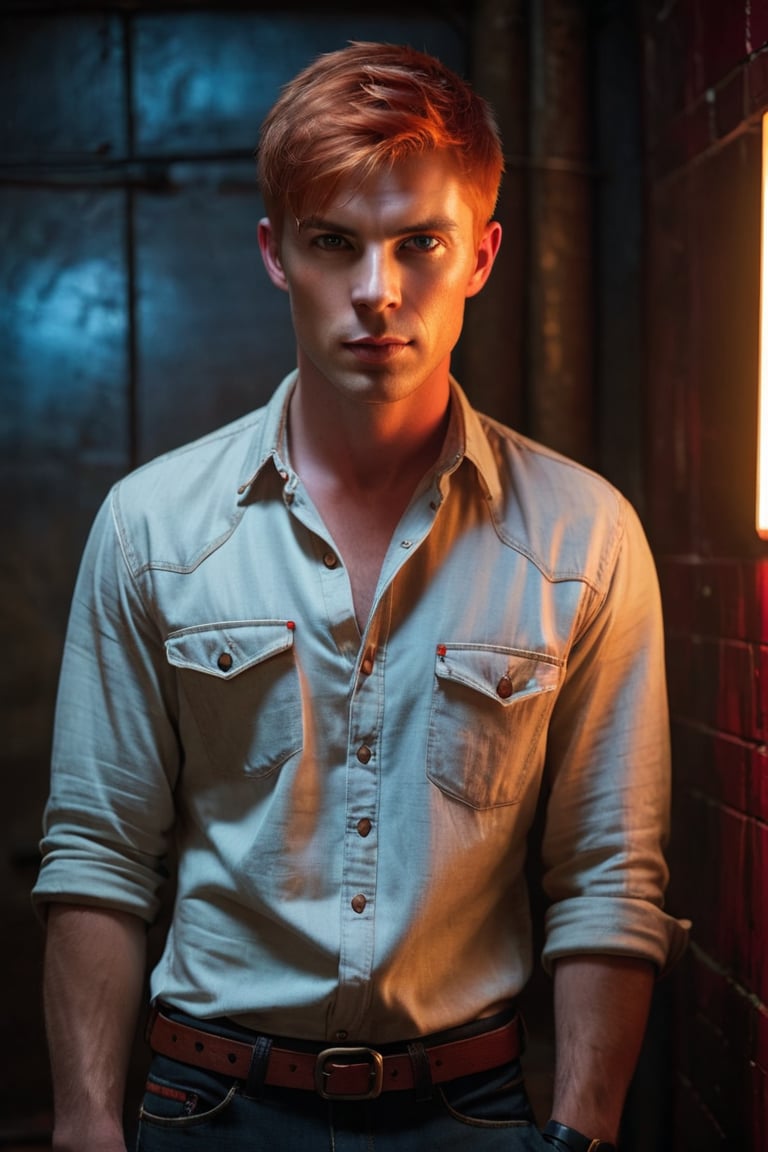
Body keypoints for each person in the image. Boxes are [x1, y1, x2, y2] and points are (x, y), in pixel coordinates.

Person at [33, 40, 688, 1152]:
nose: (378, 292)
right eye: (335, 243)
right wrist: (86, 1125)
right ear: (275, 254)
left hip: (471, 1109)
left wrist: (583, 1131)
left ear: (480, 255)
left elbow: (607, 872)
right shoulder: (153, 527)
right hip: (209, 1104)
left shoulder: (584, 537)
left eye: (418, 243)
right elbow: (98, 852)